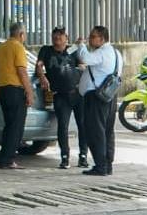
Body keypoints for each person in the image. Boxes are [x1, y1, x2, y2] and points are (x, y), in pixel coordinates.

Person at [37, 26, 84, 169]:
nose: (57, 41)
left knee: (82, 125)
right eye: (54, 38)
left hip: (77, 93)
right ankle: (65, 157)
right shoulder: (46, 50)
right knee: (62, 126)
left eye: (59, 38)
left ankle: (83, 156)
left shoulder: (73, 51)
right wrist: (42, 76)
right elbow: (39, 65)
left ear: (66, 38)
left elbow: (83, 65)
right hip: (60, 95)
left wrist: (80, 68)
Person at [77, 25, 121, 176]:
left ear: (102, 39)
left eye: (93, 36)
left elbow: (84, 58)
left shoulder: (101, 52)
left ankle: (100, 165)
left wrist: (81, 45)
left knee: (96, 131)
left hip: (96, 96)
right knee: (108, 130)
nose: (90, 39)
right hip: (109, 95)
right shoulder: (116, 53)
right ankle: (107, 164)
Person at [0, 22, 33, 170]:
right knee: (16, 127)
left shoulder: (1, 47)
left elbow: (1, 68)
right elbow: (22, 72)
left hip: (3, 90)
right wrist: (29, 92)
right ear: (21, 34)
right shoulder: (18, 47)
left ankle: (4, 158)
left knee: (9, 125)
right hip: (15, 90)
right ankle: (8, 160)